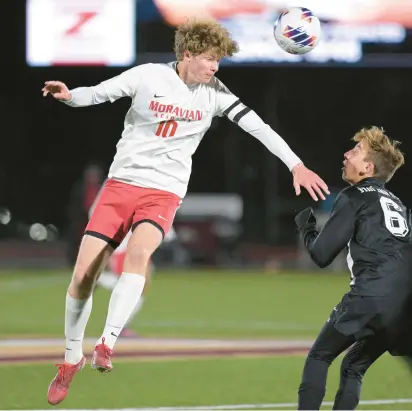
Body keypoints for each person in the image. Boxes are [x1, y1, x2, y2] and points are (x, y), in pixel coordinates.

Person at [42, 19, 329, 406]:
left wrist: (295, 164)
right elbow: (97, 93)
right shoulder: (147, 76)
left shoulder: (215, 93)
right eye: (210, 60)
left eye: (219, 62)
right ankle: (70, 359)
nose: (215, 68)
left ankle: (107, 343)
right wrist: (68, 96)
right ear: (188, 55)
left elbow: (259, 127)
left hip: (163, 192)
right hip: (120, 185)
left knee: (140, 255)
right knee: (82, 275)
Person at [294, 126, 410, 410]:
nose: (347, 154)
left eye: (356, 152)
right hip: (404, 304)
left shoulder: (355, 195)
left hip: (371, 295)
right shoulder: (399, 204)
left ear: (368, 167)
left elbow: (322, 255)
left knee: (320, 356)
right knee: (354, 366)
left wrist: (306, 228)